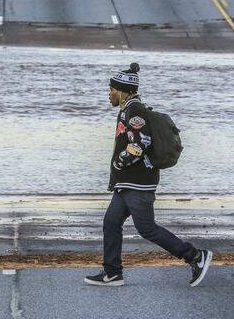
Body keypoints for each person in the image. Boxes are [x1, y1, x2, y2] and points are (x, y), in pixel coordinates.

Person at [84, 63, 212, 288]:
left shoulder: (135, 111)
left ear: (123, 90)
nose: (109, 93)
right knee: (111, 222)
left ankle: (195, 256)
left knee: (147, 228)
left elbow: (141, 143)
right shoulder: (127, 110)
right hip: (126, 183)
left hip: (138, 183)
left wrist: (119, 161)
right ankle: (112, 273)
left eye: (112, 89)